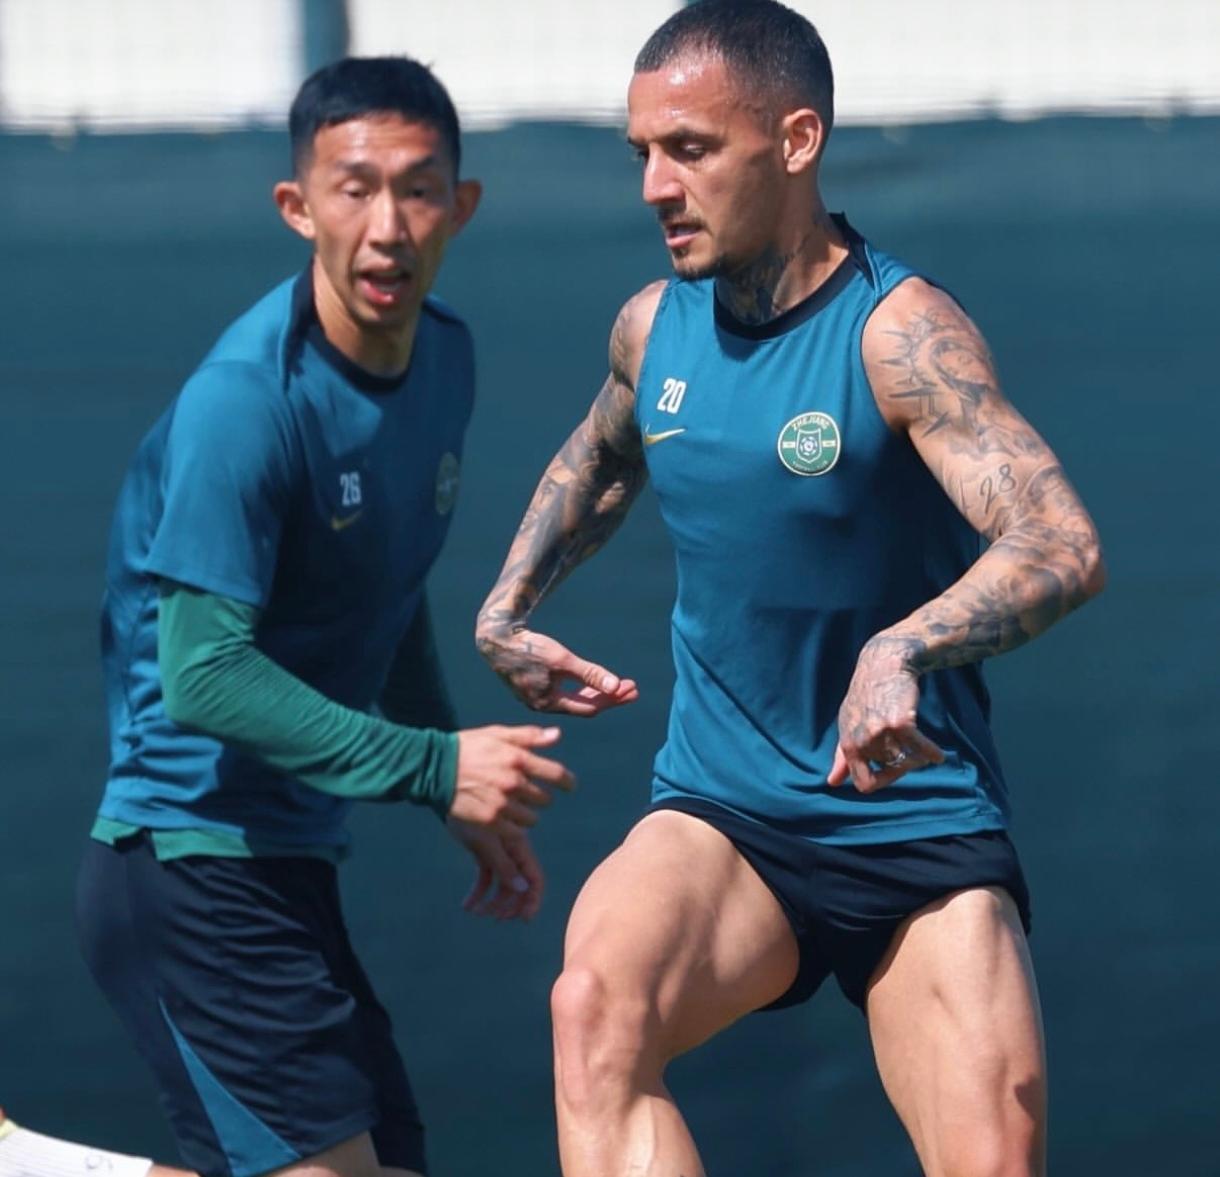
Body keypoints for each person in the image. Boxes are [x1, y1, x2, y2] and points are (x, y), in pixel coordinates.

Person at [475, 2, 1106, 1174]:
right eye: (640, 153)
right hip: (724, 817)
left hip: (913, 827)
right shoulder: (652, 328)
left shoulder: (897, 333)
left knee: (994, 1153)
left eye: (689, 149)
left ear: (796, 139)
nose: (654, 186)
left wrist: (901, 647)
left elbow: (1059, 542)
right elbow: (600, 458)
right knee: (593, 1006)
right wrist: (504, 609)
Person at [0, 56, 574, 1177]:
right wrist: (434, 765)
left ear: (461, 207)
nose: (386, 227)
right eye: (354, 188)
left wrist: (447, 780)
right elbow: (200, 672)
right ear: (297, 206)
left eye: (418, 190)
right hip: (185, 866)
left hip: (287, 863)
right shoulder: (245, 404)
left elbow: (383, 590)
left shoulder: (444, 359)